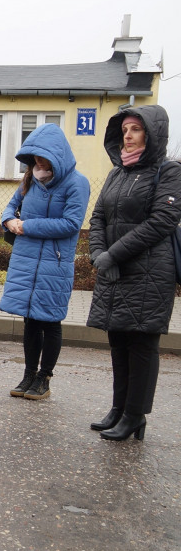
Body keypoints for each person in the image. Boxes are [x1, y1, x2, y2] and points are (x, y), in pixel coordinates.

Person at [86, 105, 181, 441]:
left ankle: (135, 415)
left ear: (151, 134)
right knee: (118, 339)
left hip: (149, 272)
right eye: (125, 129)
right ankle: (118, 408)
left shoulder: (169, 172)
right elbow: (98, 216)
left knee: (141, 342)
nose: (128, 135)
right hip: (114, 270)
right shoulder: (117, 173)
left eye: (136, 129)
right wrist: (98, 254)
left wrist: (113, 254)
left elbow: (162, 222)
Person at [0, 124, 90, 400]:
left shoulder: (77, 183)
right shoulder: (29, 180)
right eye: (34, 156)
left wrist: (26, 226)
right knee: (30, 321)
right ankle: (28, 374)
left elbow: (71, 224)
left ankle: (44, 378)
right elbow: (9, 207)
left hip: (54, 263)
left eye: (43, 157)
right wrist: (8, 220)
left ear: (57, 155)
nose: (38, 162)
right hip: (26, 260)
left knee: (50, 321)